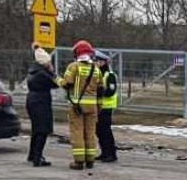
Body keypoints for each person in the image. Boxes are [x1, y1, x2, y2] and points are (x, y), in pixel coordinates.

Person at [58, 39, 102, 170]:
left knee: (77, 132)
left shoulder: (73, 66)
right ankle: (90, 160)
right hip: (92, 106)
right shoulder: (96, 69)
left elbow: (67, 84)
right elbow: (101, 90)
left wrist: (56, 79)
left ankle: (78, 161)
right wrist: (99, 108)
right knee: (90, 132)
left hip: (77, 106)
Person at [26, 43, 59, 167]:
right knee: (43, 130)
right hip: (41, 102)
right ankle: (37, 157)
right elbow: (56, 83)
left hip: (33, 101)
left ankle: (32, 154)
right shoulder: (42, 74)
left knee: (36, 130)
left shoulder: (33, 71)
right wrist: (52, 72)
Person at [94, 51, 119, 163]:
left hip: (106, 107)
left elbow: (110, 91)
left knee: (106, 131)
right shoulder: (97, 74)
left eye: (98, 61)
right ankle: (104, 152)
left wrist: (99, 91)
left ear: (103, 62)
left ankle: (111, 154)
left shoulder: (109, 75)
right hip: (98, 107)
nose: (96, 63)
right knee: (99, 131)